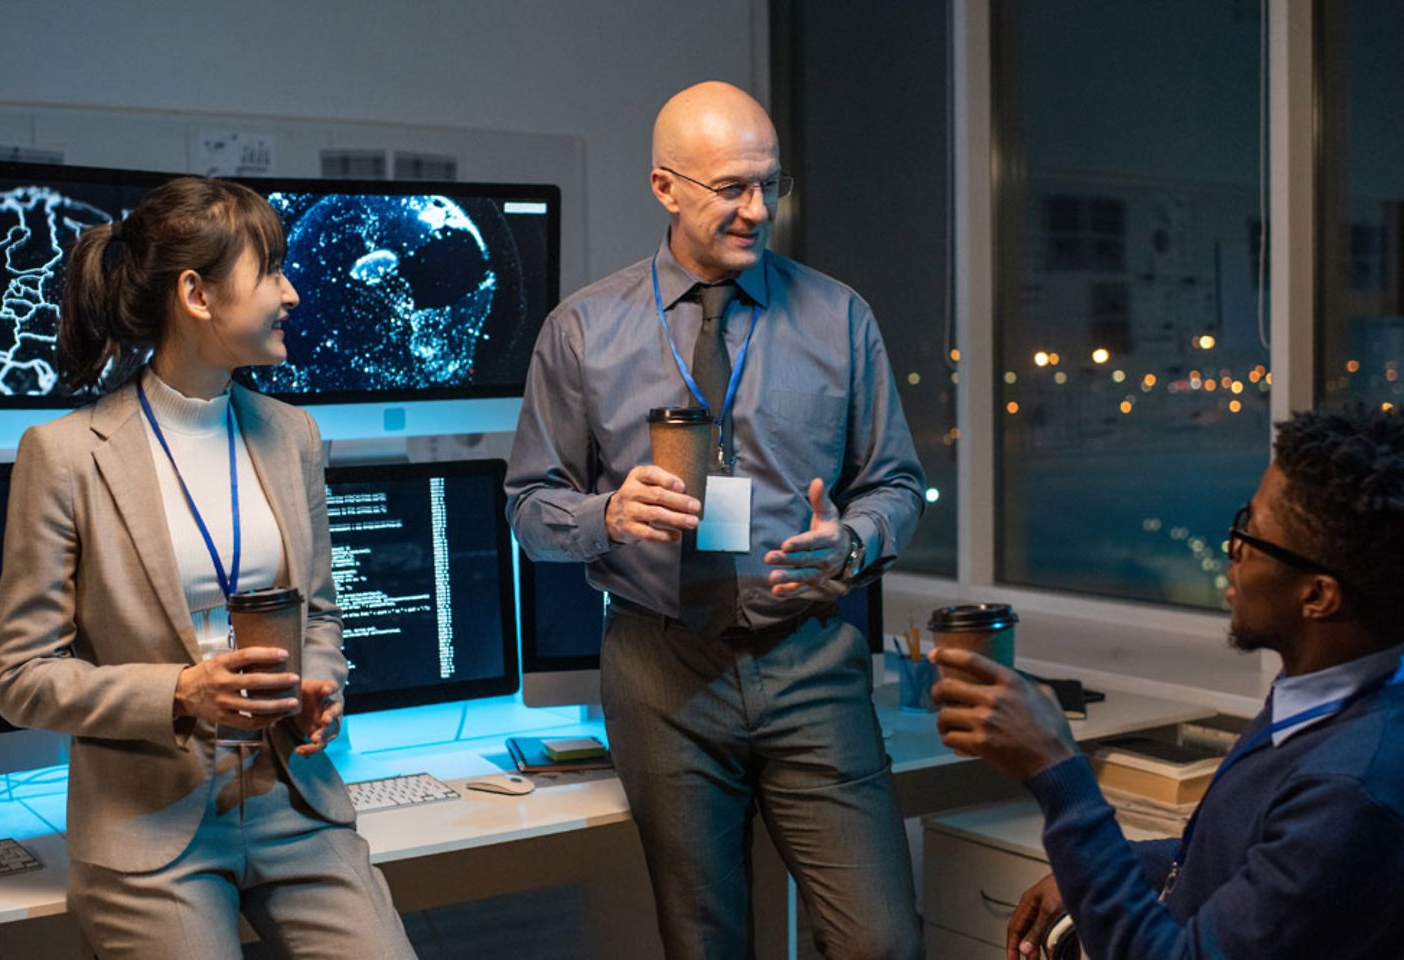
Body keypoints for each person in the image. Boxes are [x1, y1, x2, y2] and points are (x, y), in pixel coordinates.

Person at [505, 81, 926, 959]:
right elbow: (529, 509)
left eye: (771, 185)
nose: (758, 209)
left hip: (808, 657)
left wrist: (852, 541)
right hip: (661, 669)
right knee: (705, 945)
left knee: (882, 942)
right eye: (732, 187)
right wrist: (607, 514)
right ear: (665, 188)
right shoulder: (582, 330)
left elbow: (895, 484)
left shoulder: (839, 317)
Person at [0, 177, 417, 959]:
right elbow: (20, 676)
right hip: (150, 827)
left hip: (295, 803)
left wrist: (321, 683)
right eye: (272, 272)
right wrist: (182, 692)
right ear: (197, 293)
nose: (291, 292)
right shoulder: (63, 456)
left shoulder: (293, 435)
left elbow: (319, 613)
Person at [930, 407, 1404, 960]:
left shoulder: (1349, 790)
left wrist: (1056, 770)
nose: (1235, 549)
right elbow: (1236, 858)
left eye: (1252, 535)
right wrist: (1121, 863)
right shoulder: (1323, 693)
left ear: (1318, 596)